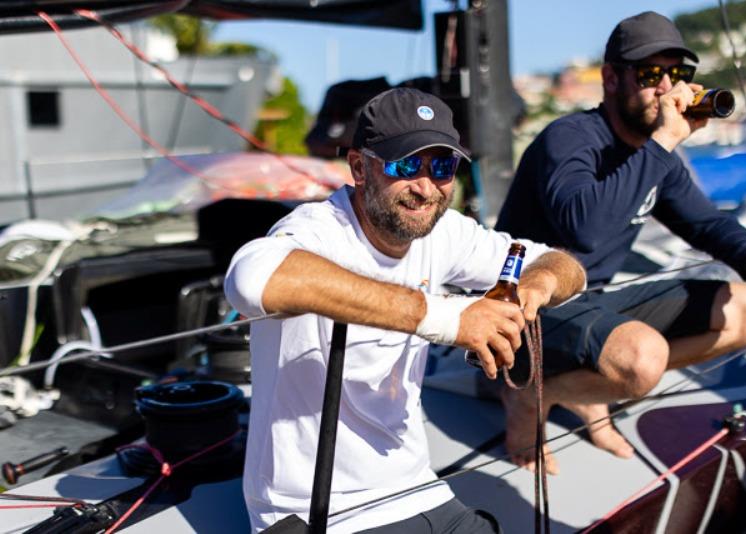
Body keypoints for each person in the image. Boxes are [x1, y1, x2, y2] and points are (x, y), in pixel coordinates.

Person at [224, 87, 586, 533]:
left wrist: (534, 287)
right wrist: (449, 319)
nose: (425, 186)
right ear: (359, 167)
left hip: (415, 486)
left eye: (442, 166)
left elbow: (566, 267)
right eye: (406, 164)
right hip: (315, 509)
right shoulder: (319, 230)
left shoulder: (444, 232)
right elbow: (252, 278)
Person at [495, 11, 746, 474]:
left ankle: (563, 391)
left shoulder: (653, 155)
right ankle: (527, 394)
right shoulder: (571, 139)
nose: (666, 87)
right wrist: (662, 143)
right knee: (642, 358)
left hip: (593, 302)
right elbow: (585, 230)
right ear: (612, 78)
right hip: (527, 312)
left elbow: (703, 222)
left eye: (677, 74)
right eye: (651, 73)